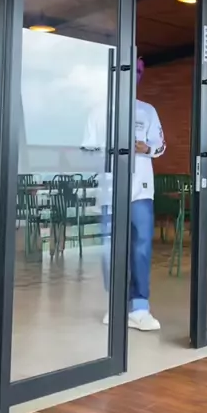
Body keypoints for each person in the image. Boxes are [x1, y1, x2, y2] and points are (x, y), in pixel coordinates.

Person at [82, 57, 165, 331]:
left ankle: (139, 308)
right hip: (110, 191)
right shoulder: (98, 112)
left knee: (141, 247)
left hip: (141, 191)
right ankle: (115, 303)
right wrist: (109, 149)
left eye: (140, 71)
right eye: (131, 70)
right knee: (110, 249)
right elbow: (87, 151)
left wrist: (146, 149)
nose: (135, 75)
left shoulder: (148, 111)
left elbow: (161, 146)